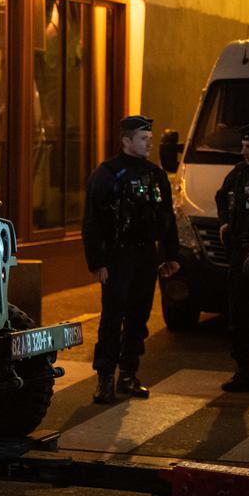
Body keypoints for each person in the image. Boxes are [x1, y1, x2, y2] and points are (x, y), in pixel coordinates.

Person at [82, 115, 179, 404]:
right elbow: (92, 221)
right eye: (142, 138)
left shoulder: (156, 175)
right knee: (113, 316)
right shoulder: (107, 174)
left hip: (145, 255)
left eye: (150, 138)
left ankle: (128, 375)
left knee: (139, 315)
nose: (149, 142)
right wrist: (97, 262)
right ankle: (105, 378)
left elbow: (167, 218)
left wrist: (170, 255)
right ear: (126, 141)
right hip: (117, 255)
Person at [215, 123, 249, 392]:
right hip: (239, 252)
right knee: (239, 313)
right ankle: (243, 370)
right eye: (243, 146)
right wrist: (225, 223)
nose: (245, 151)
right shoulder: (239, 173)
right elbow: (222, 197)